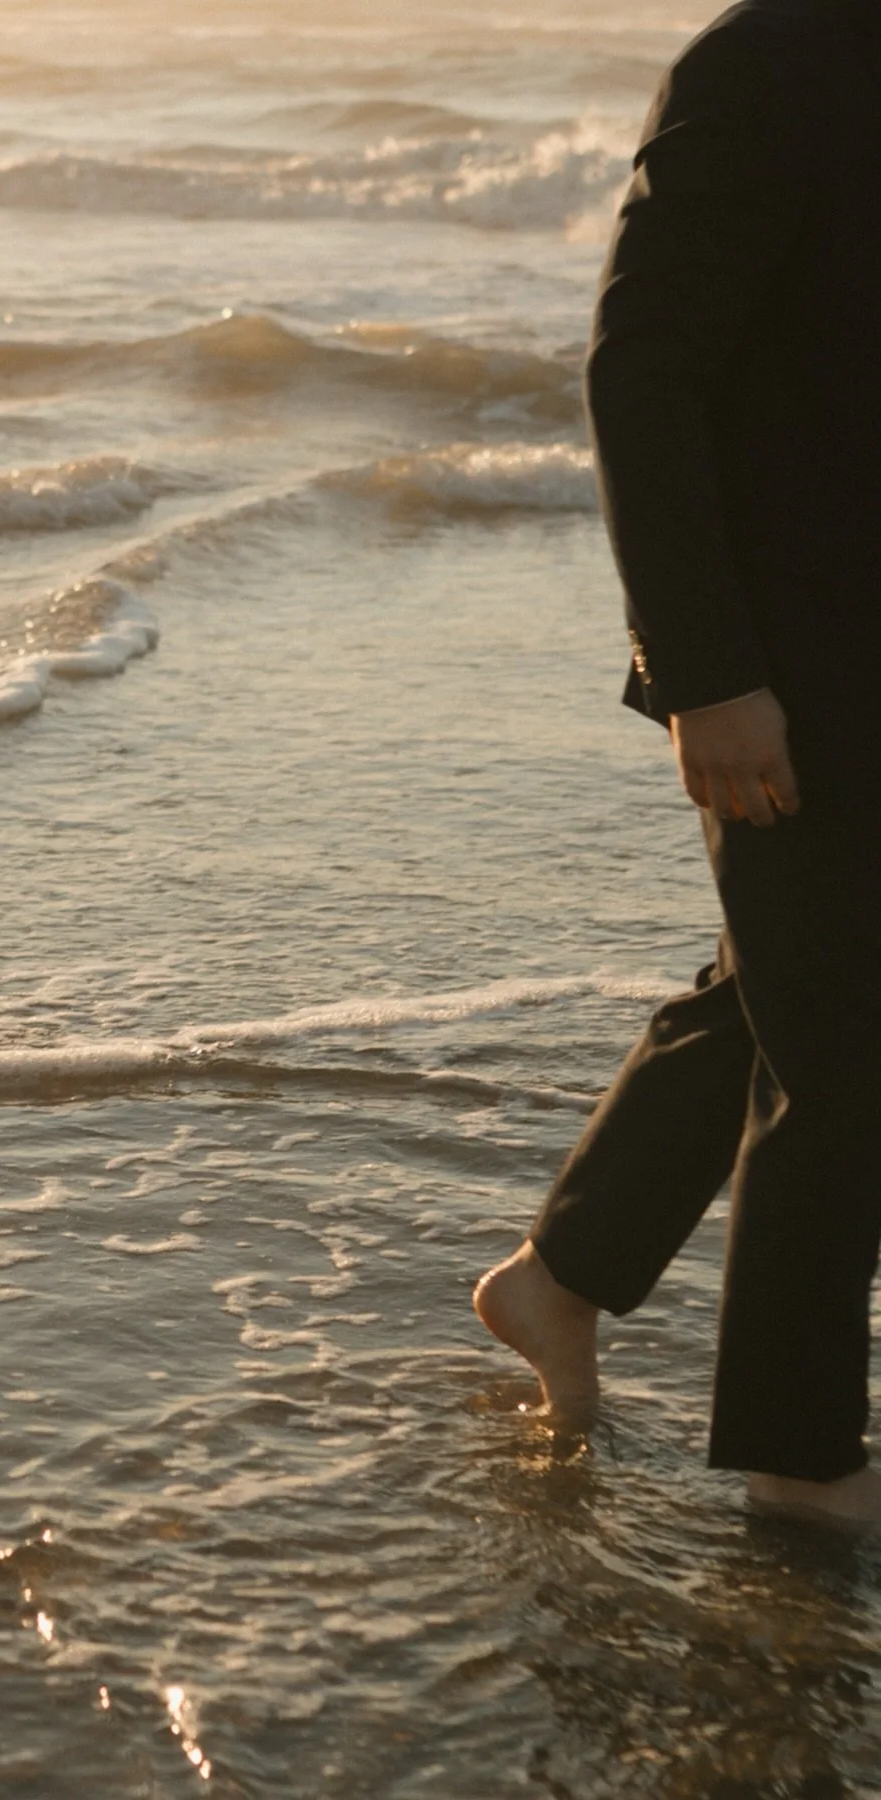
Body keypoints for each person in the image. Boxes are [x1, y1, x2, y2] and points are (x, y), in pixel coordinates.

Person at [475, 0, 881, 1533]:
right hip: (788, 658)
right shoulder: (769, 58)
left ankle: (560, 1276)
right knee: (849, 1057)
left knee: (790, 988)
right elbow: (640, 370)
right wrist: (710, 678)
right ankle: (801, 1463)